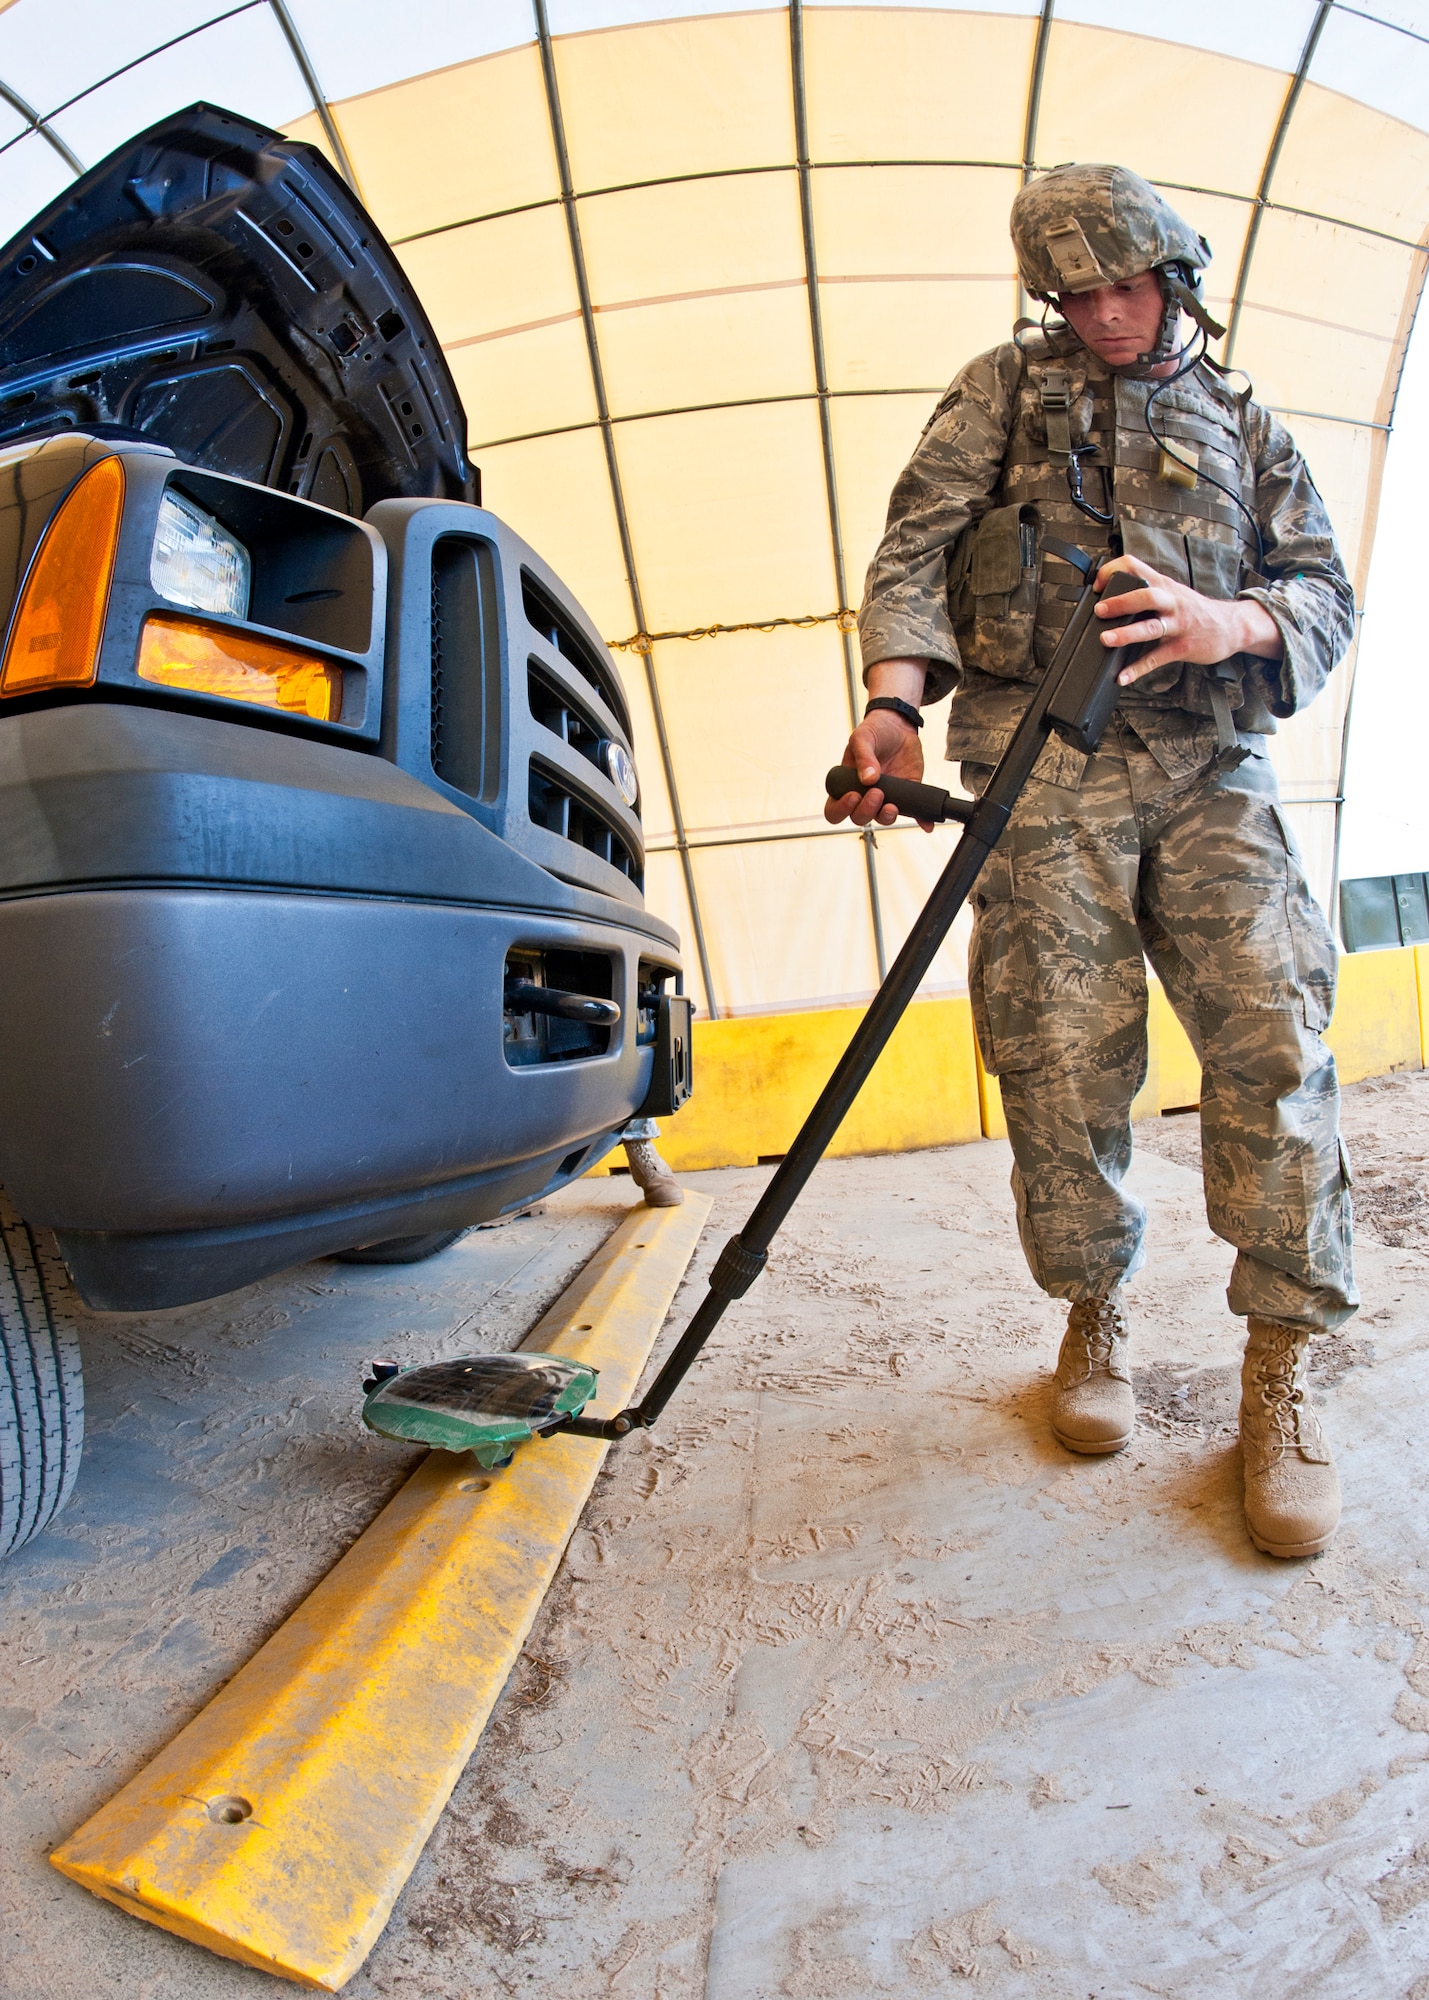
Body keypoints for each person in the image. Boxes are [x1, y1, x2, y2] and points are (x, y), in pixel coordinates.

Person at [827, 163, 1356, 1560]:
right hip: (1035, 758)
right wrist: (889, 706)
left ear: (1177, 276)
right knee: (1054, 1052)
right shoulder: (1001, 389)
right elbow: (915, 548)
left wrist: (1220, 623)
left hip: (1210, 766)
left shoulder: (1246, 422)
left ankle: (1278, 1368)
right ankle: (1091, 1315)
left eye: (1127, 286)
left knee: (1272, 1035)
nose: (1106, 316)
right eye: (1076, 294)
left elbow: (1321, 591)